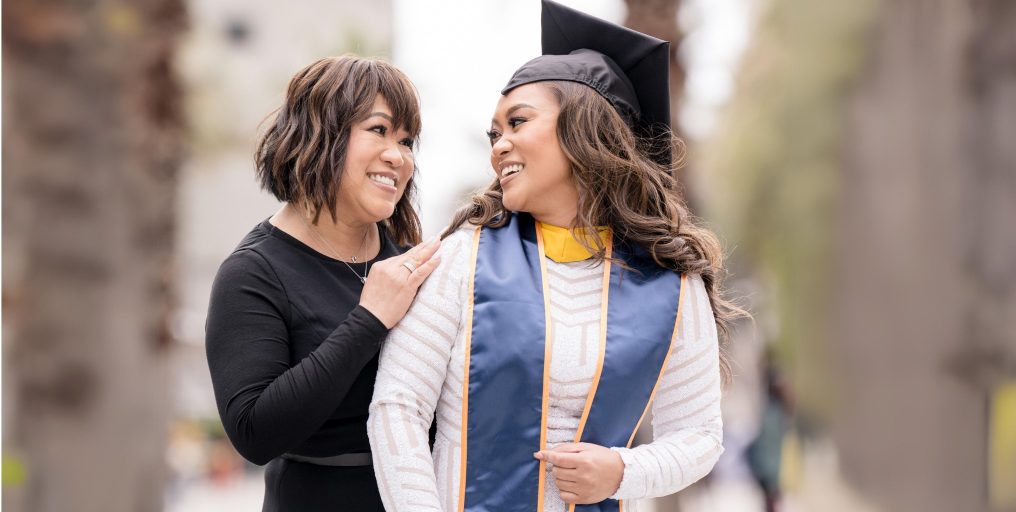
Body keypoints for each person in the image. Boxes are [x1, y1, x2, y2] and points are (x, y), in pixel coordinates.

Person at [367, 2, 742, 511]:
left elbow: (699, 435)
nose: (500, 145)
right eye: (494, 134)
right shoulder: (460, 262)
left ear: (584, 131)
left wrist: (622, 471)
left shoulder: (672, 286)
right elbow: (397, 408)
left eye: (518, 122)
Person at [205, 55, 442, 512]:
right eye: (379, 130)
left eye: (407, 140)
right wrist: (369, 319)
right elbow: (255, 432)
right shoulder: (253, 273)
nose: (398, 156)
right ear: (320, 135)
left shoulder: (412, 255)